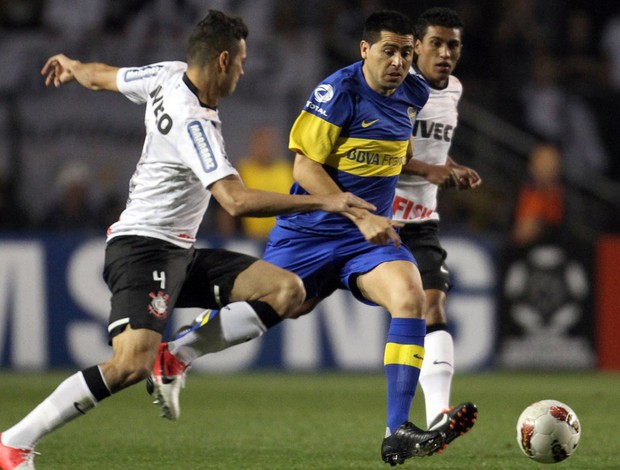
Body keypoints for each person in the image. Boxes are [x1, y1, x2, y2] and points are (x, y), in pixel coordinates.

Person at [0, 10, 375, 469]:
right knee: (128, 365)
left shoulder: (167, 73)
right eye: (240, 61)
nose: (243, 69)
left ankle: (176, 357)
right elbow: (234, 201)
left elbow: (104, 76)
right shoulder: (193, 121)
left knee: (287, 290)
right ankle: (16, 441)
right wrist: (325, 202)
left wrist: (73, 65)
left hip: (178, 250)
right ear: (222, 60)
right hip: (142, 247)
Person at [151, 10, 477, 466]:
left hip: (369, 236)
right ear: (365, 50)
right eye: (389, 51)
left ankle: (397, 430)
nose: (399, 62)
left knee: (410, 298)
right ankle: (177, 352)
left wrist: (422, 172)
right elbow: (304, 167)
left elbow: (392, 152)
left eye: (406, 52)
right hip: (313, 231)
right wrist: (353, 210)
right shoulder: (337, 92)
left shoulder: (415, 92)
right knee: (285, 303)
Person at [391, 6, 482, 433]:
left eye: (453, 45)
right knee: (296, 298)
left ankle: (438, 418)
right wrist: (431, 171)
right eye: (436, 43)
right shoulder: (395, 88)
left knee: (434, 303)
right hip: (377, 218)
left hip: (422, 220)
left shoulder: (455, 90)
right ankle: (183, 352)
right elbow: (381, 153)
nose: (445, 53)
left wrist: (452, 166)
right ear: (418, 46)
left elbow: (430, 150)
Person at [511, 141, 565, 248]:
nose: (545, 167)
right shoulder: (517, 189)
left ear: (558, 168)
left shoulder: (563, 198)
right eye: (542, 161)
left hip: (550, 251)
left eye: (550, 163)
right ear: (532, 164)